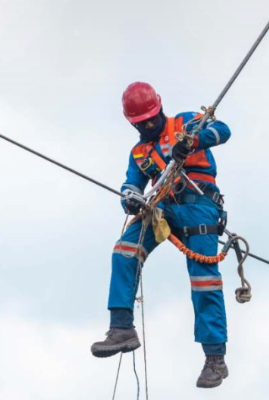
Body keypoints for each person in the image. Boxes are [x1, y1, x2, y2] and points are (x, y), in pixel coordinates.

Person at [91, 82, 232, 388]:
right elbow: (131, 184)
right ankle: (121, 328)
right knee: (124, 251)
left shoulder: (184, 123)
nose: (149, 125)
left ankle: (215, 358)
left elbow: (223, 130)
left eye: (152, 119)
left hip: (199, 204)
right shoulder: (140, 153)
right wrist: (128, 199)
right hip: (161, 208)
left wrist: (194, 141)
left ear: (160, 108)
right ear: (133, 123)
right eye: (141, 123)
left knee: (204, 279)